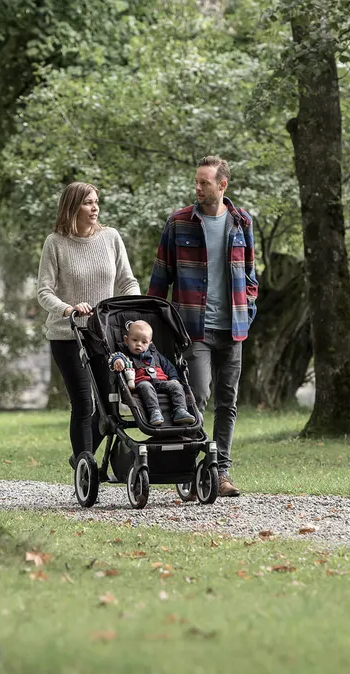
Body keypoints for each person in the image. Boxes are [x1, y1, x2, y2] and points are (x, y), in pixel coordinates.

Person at [148, 156, 258, 498]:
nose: (197, 188)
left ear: (222, 185)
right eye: (196, 182)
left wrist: (248, 308)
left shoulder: (242, 222)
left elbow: (251, 275)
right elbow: (159, 280)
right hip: (193, 329)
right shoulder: (179, 223)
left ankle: (220, 472)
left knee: (228, 401)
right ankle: (196, 466)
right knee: (198, 395)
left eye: (204, 183)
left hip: (234, 330)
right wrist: (153, 326)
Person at [37, 182, 141, 469]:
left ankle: (80, 459)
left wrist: (133, 308)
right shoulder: (55, 242)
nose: (95, 208)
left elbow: (127, 281)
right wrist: (67, 308)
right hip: (68, 335)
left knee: (109, 406)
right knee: (84, 403)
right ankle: (87, 466)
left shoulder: (111, 238)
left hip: (104, 334)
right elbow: (44, 291)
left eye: (96, 202)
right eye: (87, 203)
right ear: (73, 207)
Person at [108, 320, 195, 427]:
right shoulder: (125, 355)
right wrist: (118, 361)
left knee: (176, 386)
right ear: (126, 340)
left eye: (144, 342)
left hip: (162, 382)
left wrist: (174, 378)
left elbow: (170, 367)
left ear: (150, 344)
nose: (139, 344)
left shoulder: (156, 355)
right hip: (141, 383)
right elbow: (114, 357)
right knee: (146, 387)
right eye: (134, 340)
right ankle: (155, 412)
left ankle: (180, 410)